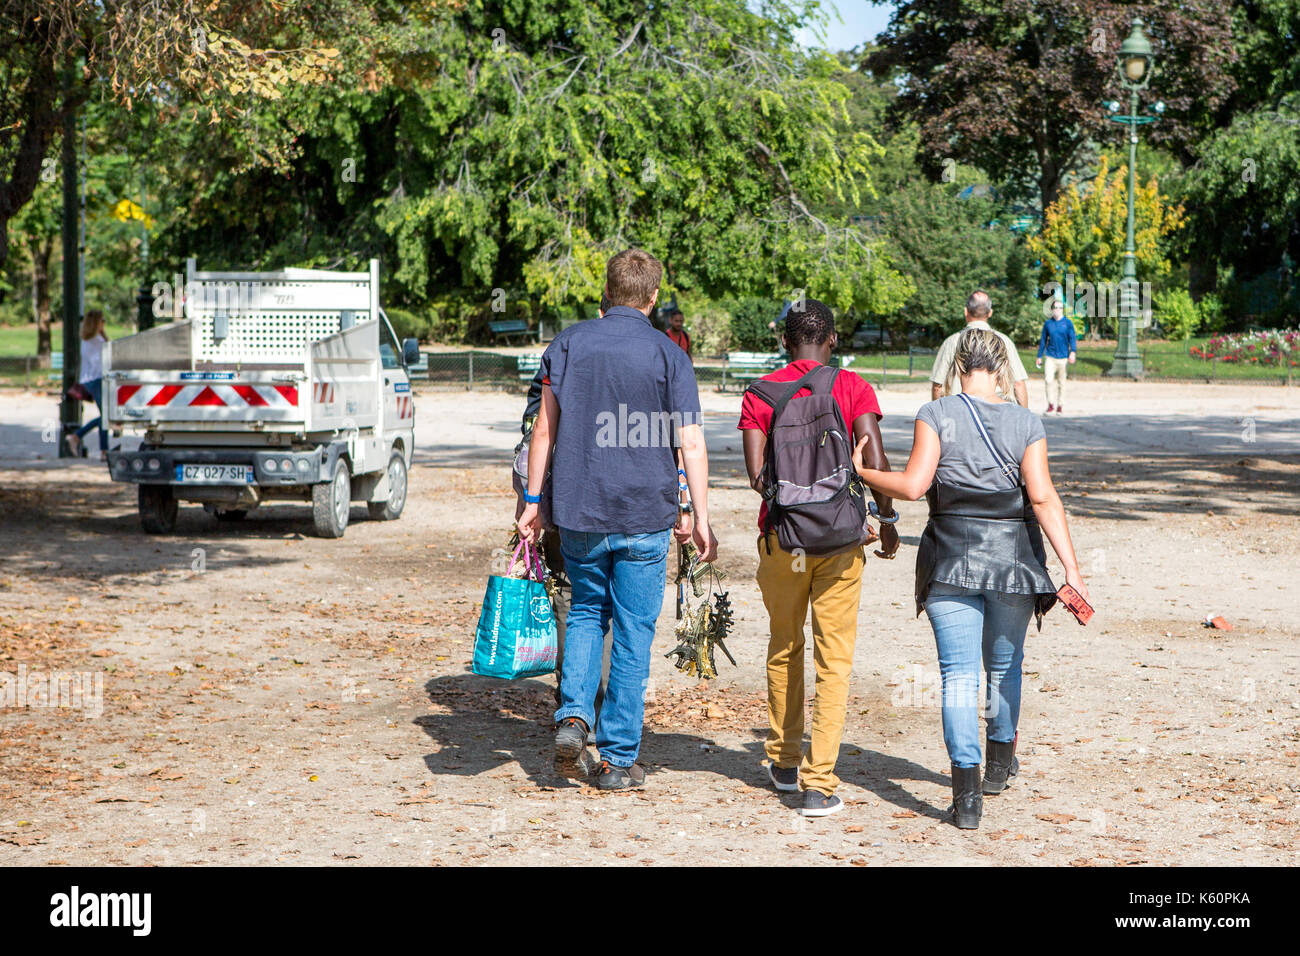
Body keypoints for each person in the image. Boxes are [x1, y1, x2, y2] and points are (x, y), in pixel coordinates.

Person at [851, 327, 1088, 830]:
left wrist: (866, 475)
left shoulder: (935, 414)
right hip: (1013, 560)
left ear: (958, 368)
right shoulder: (1027, 422)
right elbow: (1043, 498)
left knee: (957, 676)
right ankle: (1000, 767)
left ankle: (966, 798)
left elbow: (914, 486)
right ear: (1002, 371)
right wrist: (1072, 569)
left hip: (950, 557)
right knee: (1005, 668)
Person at [518, 248, 717, 792]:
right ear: (653, 298)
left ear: (607, 292)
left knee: (585, 613)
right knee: (632, 632)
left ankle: (574, 718)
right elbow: (691, 441)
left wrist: (533, 501)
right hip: (645, 513)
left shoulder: (568, 344)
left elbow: (543, 431)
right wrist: (699, 515)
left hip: (579, 508)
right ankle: (618, 758)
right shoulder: (669, 354)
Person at [738, 298, 900, 818]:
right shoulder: (851, 387)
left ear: (785, 342)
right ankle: (818, 782)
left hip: (784, 541)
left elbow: (757, 478)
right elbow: (874, 459)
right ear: (832, 341)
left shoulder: (759, 393)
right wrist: (888, 519)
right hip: (840, 541)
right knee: (835, 659)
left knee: (784, 646)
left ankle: (783, 763)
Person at [930, 291, 1029, 407]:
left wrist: (938, 415)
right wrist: (1024, 415)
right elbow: (1018, 383)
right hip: (996, 413)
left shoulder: (952, 342)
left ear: (965, 311)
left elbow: (938, 386)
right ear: (990, 313)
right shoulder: (1004, 341)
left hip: (958, 411)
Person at [67, 310, 108, 459]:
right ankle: (77, 437)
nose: (104, 323)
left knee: (105, 416)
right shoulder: (97, 341)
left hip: (89, 379)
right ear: (96, 322)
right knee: (106, 416)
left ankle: (104, 451)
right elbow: (101, 363)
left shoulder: (87, 339)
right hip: (97, 379)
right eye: (102, 320)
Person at [1036, 299, 1077, 415]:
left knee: (1061, 383)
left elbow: (1072, 339)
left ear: (1062, 310)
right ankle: (1050, 405)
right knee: (1048, 380)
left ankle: (1060, 406)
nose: (1058, 310)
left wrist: (1073, 352)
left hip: (1063, 357)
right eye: (1056, 308)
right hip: (1050, 356)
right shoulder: (1048, 324)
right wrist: (1039, 356)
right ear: (1052, 310)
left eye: (1060, 308)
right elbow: (1043, 340)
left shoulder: (1067, 323)